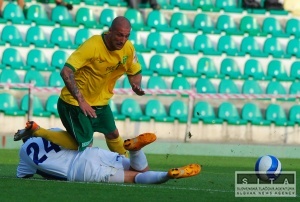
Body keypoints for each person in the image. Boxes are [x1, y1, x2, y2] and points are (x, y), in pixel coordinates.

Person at [16, 16, 145, 156]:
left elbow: (135, 71)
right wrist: (81, 101)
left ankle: (126, 163)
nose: (123, 40)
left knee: (113, 134)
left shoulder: (128, 48)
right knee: (85, 144)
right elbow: (66, 71)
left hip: (99, 102)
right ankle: (37, 131)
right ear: (110, 31)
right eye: (119, 35)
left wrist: (135, 85)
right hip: (73, 103)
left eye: (126, 36)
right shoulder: (92, 46)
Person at [16, 128, 201, 183]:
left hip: (79, 171)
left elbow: (24, 176)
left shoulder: (24, 152)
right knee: (142, 169)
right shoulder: (52, 131)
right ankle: (135, 149)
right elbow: (79, 140)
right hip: (92, 153)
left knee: (138, 177)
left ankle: (168, 175)